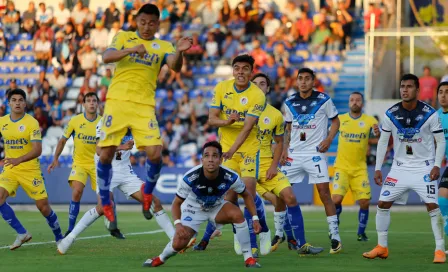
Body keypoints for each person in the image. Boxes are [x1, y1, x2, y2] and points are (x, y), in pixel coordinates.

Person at [195, 73, 324, 255]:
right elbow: (218, 121)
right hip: (244, 163)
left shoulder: (275, 115)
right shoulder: (239, 108)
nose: (258, 87)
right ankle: (247, 241)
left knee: (289, 197)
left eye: (262, 84)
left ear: (268, 88)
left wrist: (273, 166)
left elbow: (279, 142)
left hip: (265, 166)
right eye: (255, 83)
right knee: (232, 199)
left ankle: (299, 243)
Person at [97, 3, 192, 222]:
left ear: (158, 24)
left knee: (155, 153)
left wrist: (178, 51)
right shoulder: (124, 37)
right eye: (142, 22)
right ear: (136, 22)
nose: (146, 27)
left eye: (151, 23)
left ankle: (147, 192)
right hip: (117, 102)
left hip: (144, 106)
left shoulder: (164, 45)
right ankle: (105, 199)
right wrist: (132, 49)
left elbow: (175, 66)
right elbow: (107, 56)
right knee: (106, 153)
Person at [57, 118, 175, 254]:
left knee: (155, 202)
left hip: (125, 171)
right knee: (103, 207)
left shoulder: (133, 122)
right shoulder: (104, 122)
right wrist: (122, 147)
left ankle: (174, 240)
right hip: (106, 169)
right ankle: (69, 239)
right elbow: (99, 150)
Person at [363, 74, 446, 263]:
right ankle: (382, 247)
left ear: (417, 90)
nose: (405, 90)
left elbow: (440, 142)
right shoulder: (391, 113)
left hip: (424, 168)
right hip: (398, 169)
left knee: (433, 207)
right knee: (382, 204)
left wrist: (435, 165)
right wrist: (377, 168)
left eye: (409, 86)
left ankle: (440, 249)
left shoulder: (430, 113)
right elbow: (383, 141)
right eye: (402, 86)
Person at [142, 141, 262, 268]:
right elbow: (176, 203)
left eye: (215, 156)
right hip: (193, 209)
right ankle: (161, 258)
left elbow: (247, 195)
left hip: (216, 207)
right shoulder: (190, 177)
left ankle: (249, 258)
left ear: (221, 160)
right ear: (202, 160)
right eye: (207, 156)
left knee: (237, 215)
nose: (210, 160)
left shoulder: (230, 176)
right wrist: (178, 225)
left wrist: (255, 218)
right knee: (179, 243)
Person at [207, 54, 270, 255]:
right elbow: (211, 119)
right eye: (237, 68)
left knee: (248, 191)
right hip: (227, 149)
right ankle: (239, 232)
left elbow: (247, 128)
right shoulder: (221, 88)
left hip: (248, 149)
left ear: (251, 72)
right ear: (233, 70)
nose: (240, 72)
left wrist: (232, 150)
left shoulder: (257, 95)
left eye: (245, 68)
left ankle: (257, 236)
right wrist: (227, 122)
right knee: (230, 195)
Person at [281, 67, 342, 254]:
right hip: (294, 153)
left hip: (315, 153)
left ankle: (335, 235)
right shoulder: (289, 102)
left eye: (307, 78)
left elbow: (336, 122)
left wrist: (329, 140)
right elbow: (288, 128)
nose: (304, 82)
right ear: (296, 81)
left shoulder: (324, 100)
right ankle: (287, 235)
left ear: (313, 81)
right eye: (301, 79)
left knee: (324, 193)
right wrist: (284, 149)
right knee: (280, 192)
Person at [0, 89, 63, 250]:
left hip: (30, 169)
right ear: (9, 103)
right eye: (14, 100)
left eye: (21, 100)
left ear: (25, 103)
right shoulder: (3, 122)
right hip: (10, 169)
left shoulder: (31, 122)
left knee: (43, 206)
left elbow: (38, 150)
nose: (17, 103)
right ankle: (22, 233)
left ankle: (59, 236)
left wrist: (18, 159)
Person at [48, 92, 102, 237]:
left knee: (103, 203)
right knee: (77, 191)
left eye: (94, 100)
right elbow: (62, 141)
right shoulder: (75, 120)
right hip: (80, 163)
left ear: (97, 104)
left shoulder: (103, 122)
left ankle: (112, 226)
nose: (91, 103)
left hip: (98, 164)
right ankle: (71, 228)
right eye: (88, 101)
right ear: (83, 104)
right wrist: (55, 159)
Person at [332, 92, 379, 241]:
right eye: (352, 100)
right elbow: (329, 134)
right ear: (348, 103)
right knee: (336, 200)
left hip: (360, 169)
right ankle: (334, 224)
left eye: (358, 100)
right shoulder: (340, 119)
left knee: (365, 201)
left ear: (362, 103)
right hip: (342, 167)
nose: (355, 102)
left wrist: (377, 134)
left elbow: (379, 137)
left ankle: (361, 232)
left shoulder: (370, 120)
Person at [437, 82, 448, 240]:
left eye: (447, 92)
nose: (443, 95)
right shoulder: (435, 117)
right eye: (440, 92)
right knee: (442, 199)